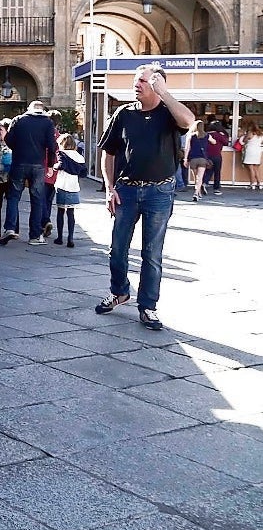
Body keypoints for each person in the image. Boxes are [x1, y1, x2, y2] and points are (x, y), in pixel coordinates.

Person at [95, 64, 194, 331]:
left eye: (142, 81)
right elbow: (109, 152)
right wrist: (109, 188)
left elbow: (188, 121)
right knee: (117, 249)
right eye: (135, 81)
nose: (135, 85)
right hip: (126, 190)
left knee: (152, 253)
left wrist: (165, 93)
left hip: (159, 192)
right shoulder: (124, 113)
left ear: (157, 84)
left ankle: (148, 306)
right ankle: (120, 291)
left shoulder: (169, 114)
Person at [0, 100, 57, 246]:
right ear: (42, 109)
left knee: (13, 197)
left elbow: (9, 140)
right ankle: (35, 235)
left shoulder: (18, 120)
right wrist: (50, 165)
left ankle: (10, 228)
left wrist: (16, 146)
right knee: (37, 200)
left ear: (28, 109)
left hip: (19, 163)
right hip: (38, 165)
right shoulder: (48, 123)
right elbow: (51, 146)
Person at [52, 134, 86, 247]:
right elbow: (83, 173)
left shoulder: (62, 154)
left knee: (60, 212)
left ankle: (60, 237)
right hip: (74, 187)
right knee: (71, 213)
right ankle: (70, 238)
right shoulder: (79, 157)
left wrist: (54, 166)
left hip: (62, 185)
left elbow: (61, 165)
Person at [0, 118, 12, 238]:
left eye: (1, 129)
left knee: (11, 203)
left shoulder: (13, 144)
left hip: (9, 178)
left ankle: (13, 229)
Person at [185, 120, 211, 201]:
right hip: (202, 159)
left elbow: (187, 148)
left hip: (193, 159)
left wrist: (185, 159)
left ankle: (198, 192)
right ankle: (196, 193)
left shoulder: (191, 136)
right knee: (200, 178)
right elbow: (214, 142)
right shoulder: (207, 135)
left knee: (196, 177)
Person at [205, 120, 230, 195]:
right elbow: (226, 142)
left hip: (207, 155)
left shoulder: (206, 134)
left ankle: (204, 183)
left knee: (208, 171)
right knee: (217, 172)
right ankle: (216, 188)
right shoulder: (219, 135)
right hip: (217, 155)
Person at [239, 121, 263, 189]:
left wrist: (243, 136)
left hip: (250, 151)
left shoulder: (250, 133)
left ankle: (252, 184)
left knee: (251, 168)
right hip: (258, 151)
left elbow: (244, 140)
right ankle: (259, 184)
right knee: (256, 169)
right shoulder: (260, 134)